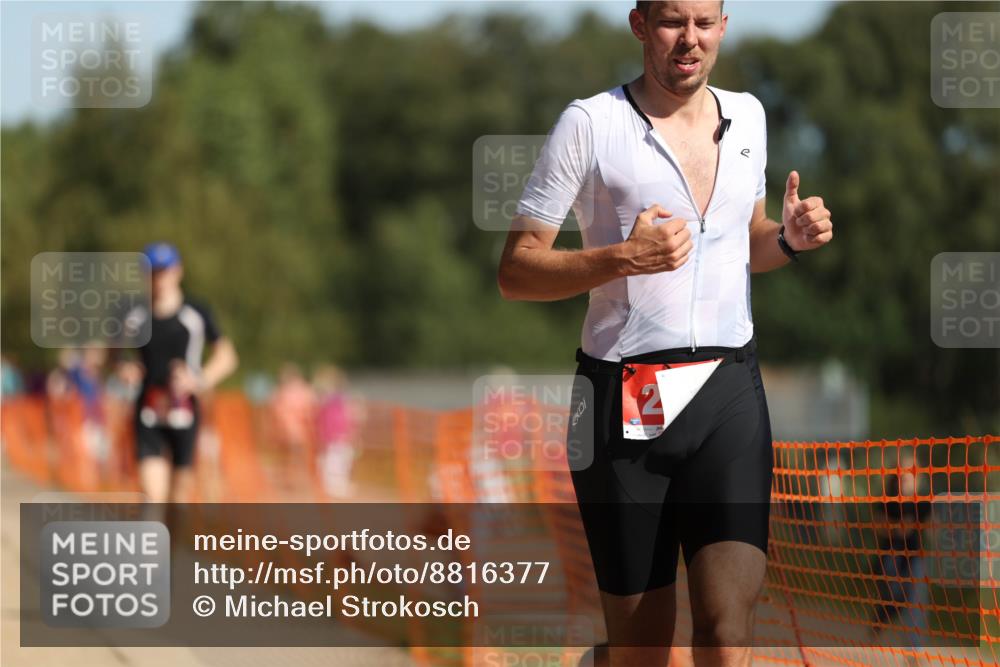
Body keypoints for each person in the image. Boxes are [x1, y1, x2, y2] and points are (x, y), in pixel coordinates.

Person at [497, 2, 833, 665]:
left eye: (705, 22)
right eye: (674, 21)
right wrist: (622, 257)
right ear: (640, 25)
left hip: (727, 392)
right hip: (623, 403)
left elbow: (745, 243)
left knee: (725, 628)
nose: (691, 39)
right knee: (644, 651)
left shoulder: (749, 118)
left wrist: (787, 240)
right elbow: (515, 270)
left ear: (724, 27)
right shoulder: (589, 124)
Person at [118, 242, 238, 504]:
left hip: (185, 410)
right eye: (154, 272)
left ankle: (174, 542)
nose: (160, 278)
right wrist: (123, 367)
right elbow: (113, 352)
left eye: (165, 271)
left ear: (178, 271)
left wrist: (199, 381)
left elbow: (227, 357)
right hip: (147, 409)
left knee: (179, 496)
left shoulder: (195, 312)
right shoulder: (133, 314)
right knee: (152, 495)